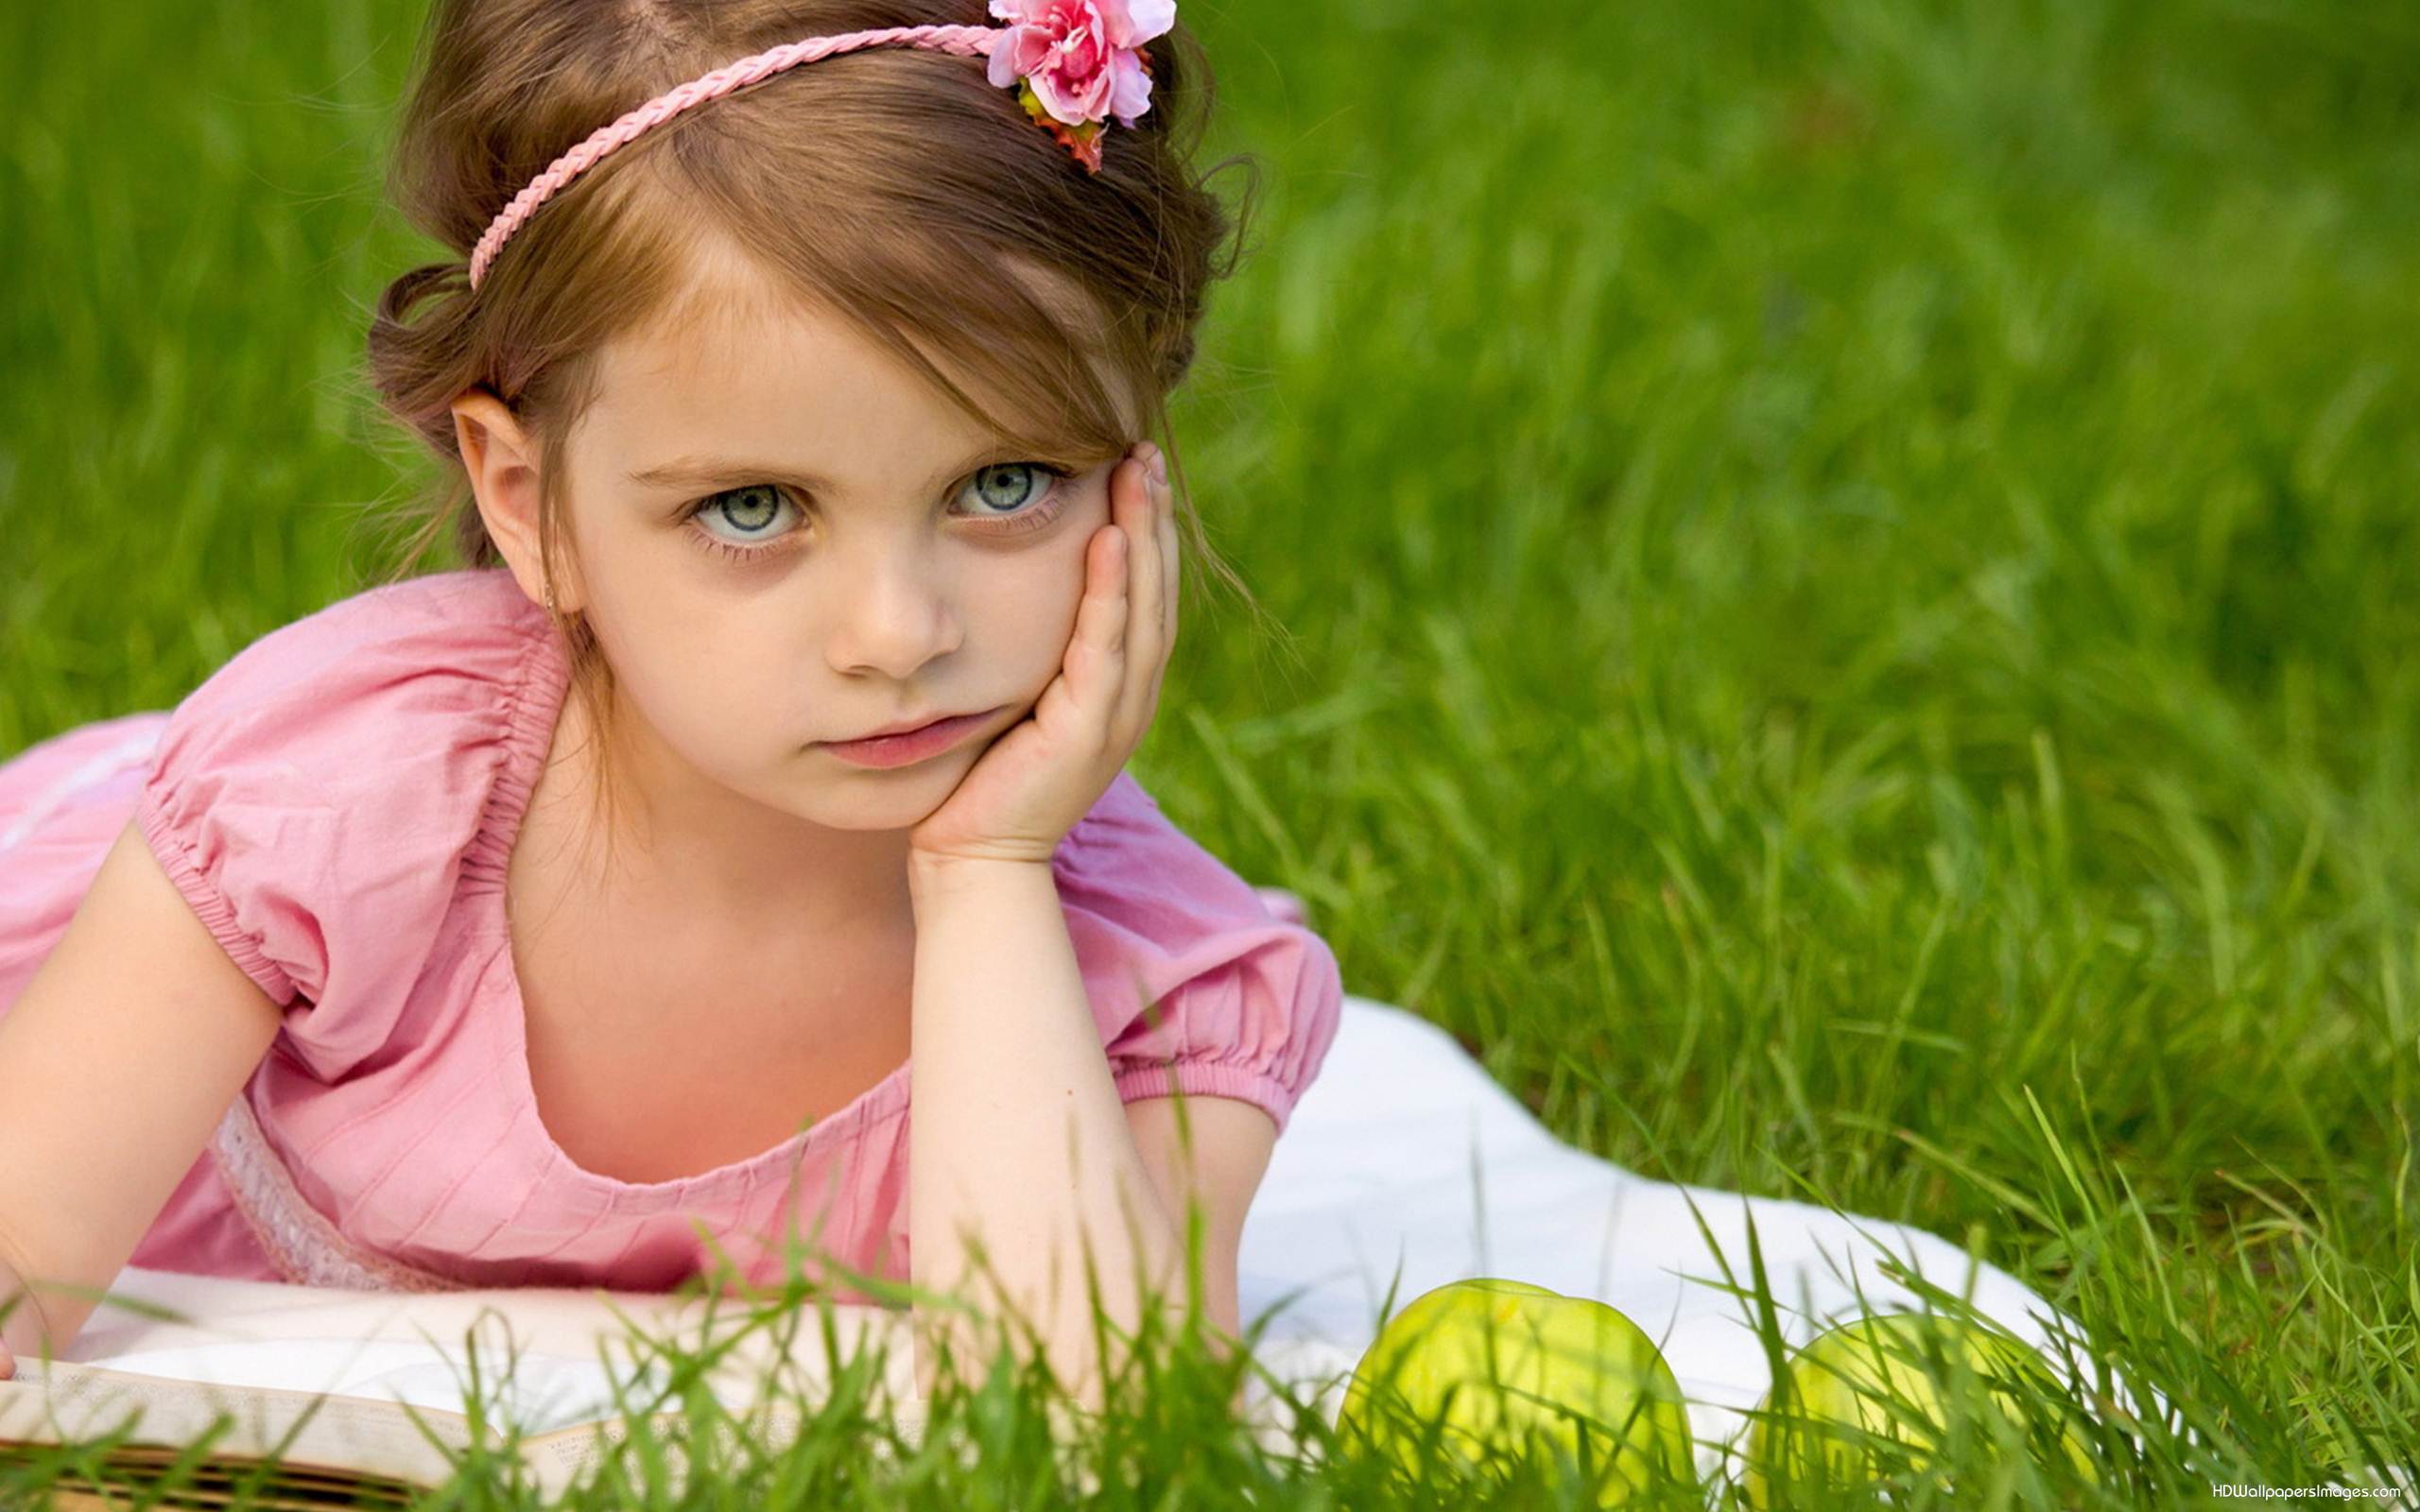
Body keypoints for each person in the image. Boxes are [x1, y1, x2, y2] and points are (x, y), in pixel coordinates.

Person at [0, 0, 1344, 1410]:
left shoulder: (1157, 986)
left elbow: (1089, 1425)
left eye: (1006, 485)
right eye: (752, 508)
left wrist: (987, 877)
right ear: (531, 504)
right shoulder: (348, 805)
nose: (899, 634)